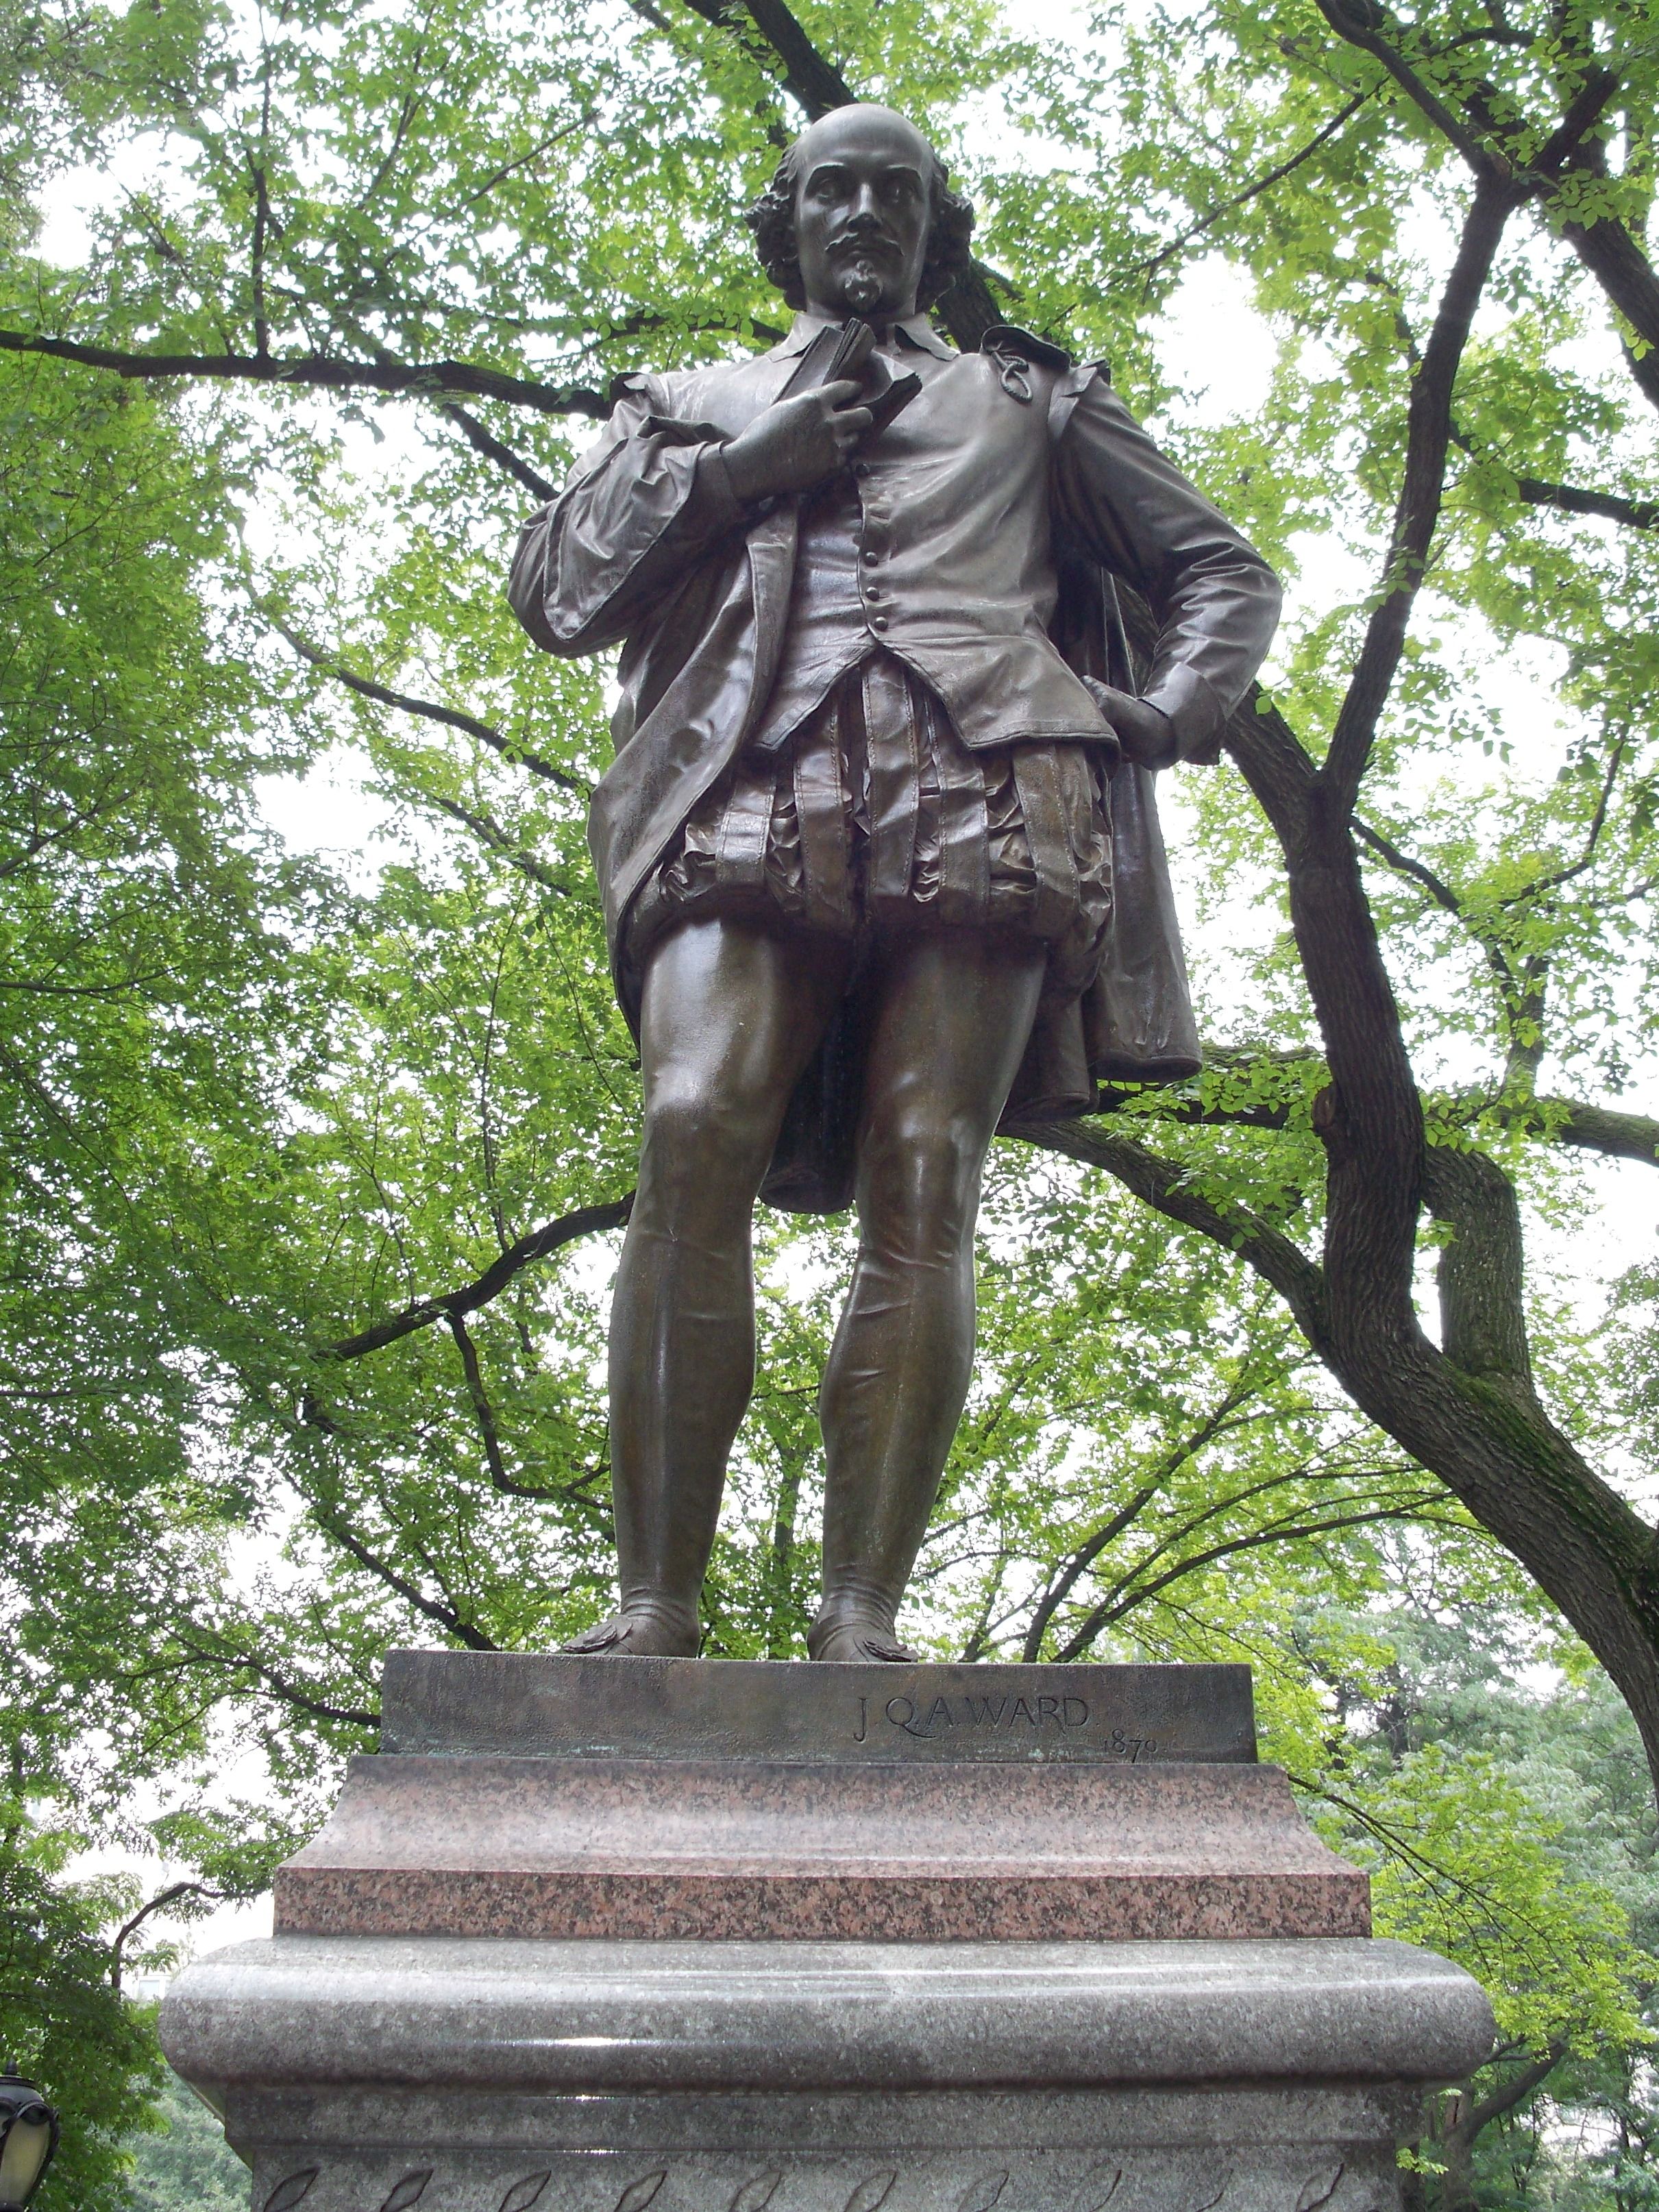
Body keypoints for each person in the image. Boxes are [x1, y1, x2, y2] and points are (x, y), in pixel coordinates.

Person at [508, 103, 1281, 1661]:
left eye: (896, 193)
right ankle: (653, 1605)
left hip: (989, 782)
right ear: (784, 224)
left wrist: (1161, 715)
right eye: (833, 190)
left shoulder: (1032, 398)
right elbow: (557, 591)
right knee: (688, 1123)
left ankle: (859, 1619)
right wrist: (732, 478)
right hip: (749, 775)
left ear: (937, 228)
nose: (864, 214)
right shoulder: (683, 404)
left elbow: (1219, 568)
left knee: (927, 1167)